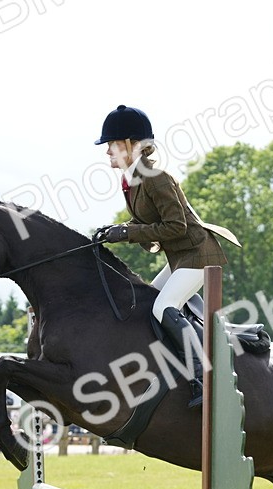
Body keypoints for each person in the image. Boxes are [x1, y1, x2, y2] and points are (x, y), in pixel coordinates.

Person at [92, 104, 237, 408]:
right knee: (150, 300)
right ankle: (228, 338)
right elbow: (146, 222)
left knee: (164, 306)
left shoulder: (155, 177)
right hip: (180, 258)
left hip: (199, 254)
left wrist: (128, 233)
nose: (107, 153)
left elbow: (176, 226)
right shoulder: (134, 179)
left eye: (112, 145)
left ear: (131, 145)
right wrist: (117, 229)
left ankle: (201, 376)